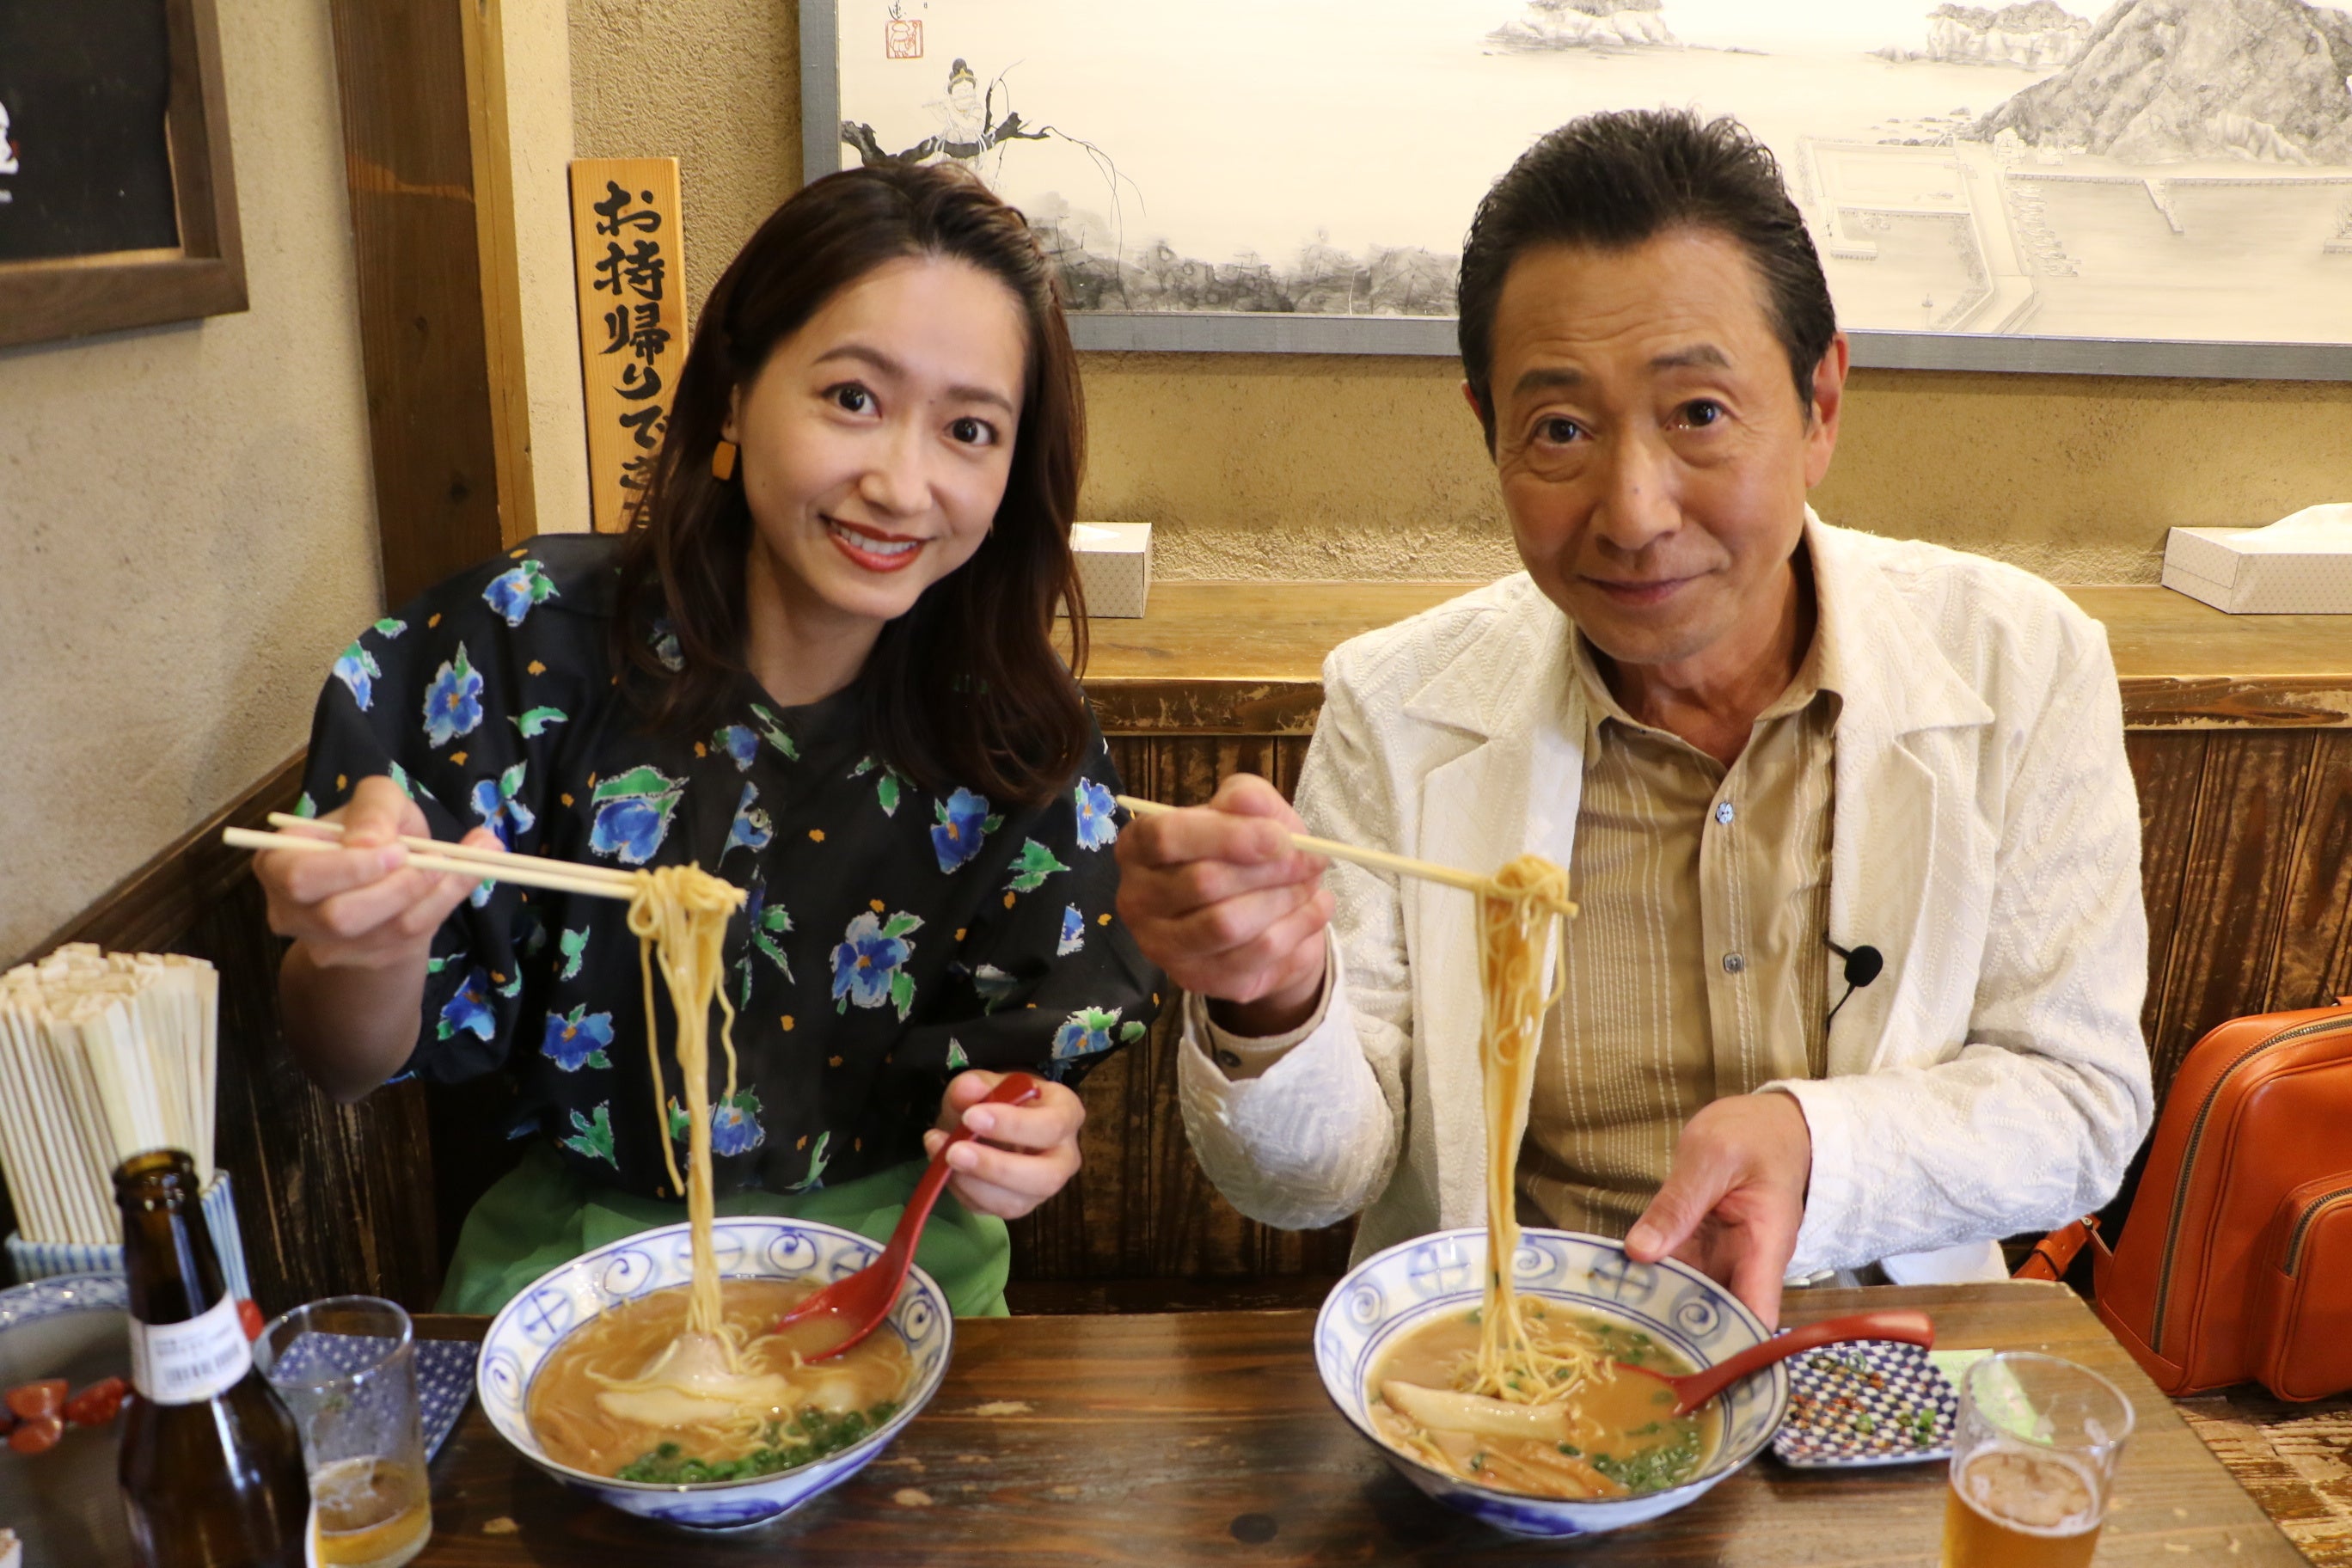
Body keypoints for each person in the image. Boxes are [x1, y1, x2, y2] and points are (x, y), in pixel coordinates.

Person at [1115, 109, 2152, 1327]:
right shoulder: (1395, 702)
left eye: (1699, 414)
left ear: (1821, 403)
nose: (1633, 510)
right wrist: (1271, 1000)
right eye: (1560, 428)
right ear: (1489, 430)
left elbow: (2079, 1104)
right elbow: (1308, 1185)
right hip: (1509, 1354)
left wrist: (1817, 1146)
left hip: (1868, 1340)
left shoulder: (2022, 662)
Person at [260, 162, 1160, 1317]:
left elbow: (1022, 1078)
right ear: (736, 392)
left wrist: (1023, 1132)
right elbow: (343, 1061)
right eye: (852, 399)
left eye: (970, 429)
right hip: (576, 1265)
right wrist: (367, 944)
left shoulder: (1017, 734)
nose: (900, 482)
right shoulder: (519, 649)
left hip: (900, 1272)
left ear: (1012, 472)